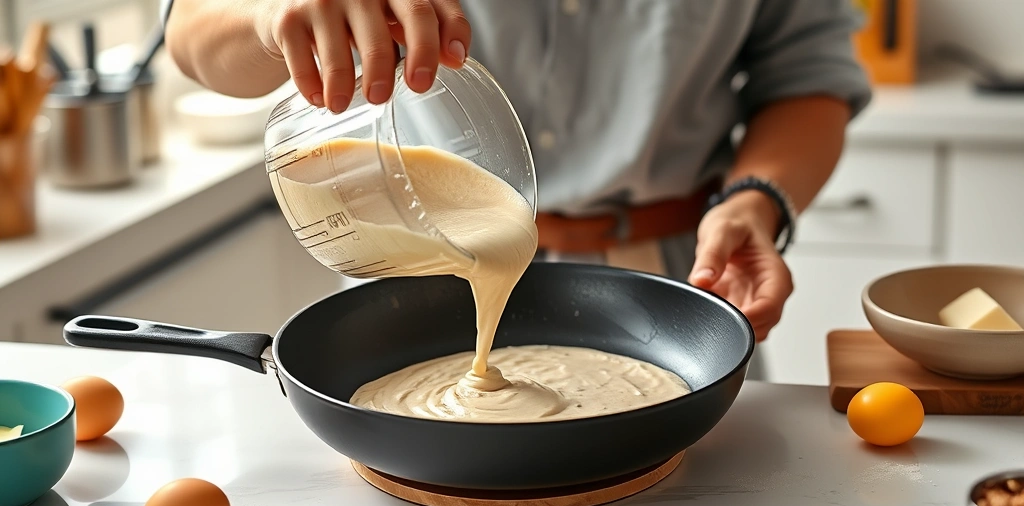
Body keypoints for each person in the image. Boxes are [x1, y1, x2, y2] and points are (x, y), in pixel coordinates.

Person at [159, 0, 872, 380]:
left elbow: (808, 76)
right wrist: (265, 15)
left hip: (679, 279)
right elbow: (190, 33)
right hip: (418, 260)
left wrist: (757, 198)